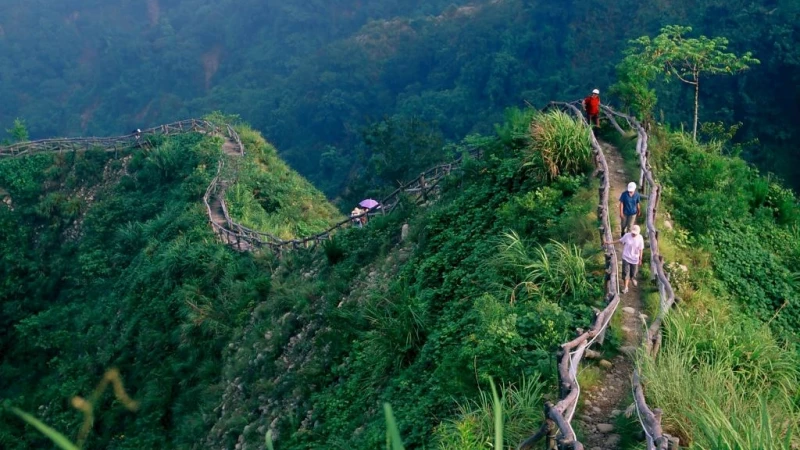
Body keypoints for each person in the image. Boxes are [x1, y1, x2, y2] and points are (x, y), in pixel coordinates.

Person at [605, 224, 644, 294]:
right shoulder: (627, 236)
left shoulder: (640, 238)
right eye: (633, 233)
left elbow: (641, 249)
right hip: (626, 257)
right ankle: (626, 287)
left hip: (635, 259)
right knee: (625, 273)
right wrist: (610, 242)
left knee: (633, 272)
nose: (633, 234)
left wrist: (640, 259)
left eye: (635, 234)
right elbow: (620, 241)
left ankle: (632, 278)